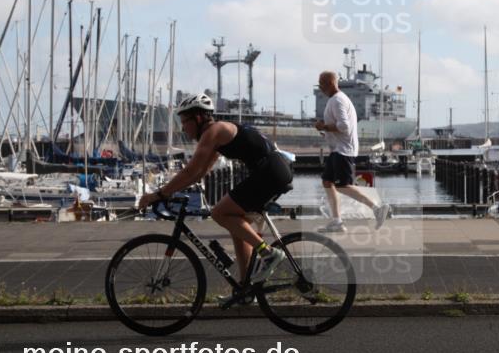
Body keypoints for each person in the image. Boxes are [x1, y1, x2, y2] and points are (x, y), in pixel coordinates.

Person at [137, 93, 291, 302]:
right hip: (271, 170)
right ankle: (245, 290)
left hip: (270, 172)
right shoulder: (218, 134)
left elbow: (191, 170)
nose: (183, 128)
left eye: (184, 122)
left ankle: (268, 253)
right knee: (236, 222)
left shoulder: (213, 132)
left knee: (219, 212)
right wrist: (169, 192)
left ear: (198, 118)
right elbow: (199, 173)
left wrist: (158, 194)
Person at [315, 71, 390, 233]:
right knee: (327, 182)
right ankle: (337, 221)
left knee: (343, 186)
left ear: (329, 83)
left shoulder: (338, 101)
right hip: (337, 149)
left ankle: (377, 208)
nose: (320, 87)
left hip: (343, 150)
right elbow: (340, 128)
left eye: (321, 83)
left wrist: (324, 127)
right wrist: (325, 130)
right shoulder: (334, 100)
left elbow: (344, 127)